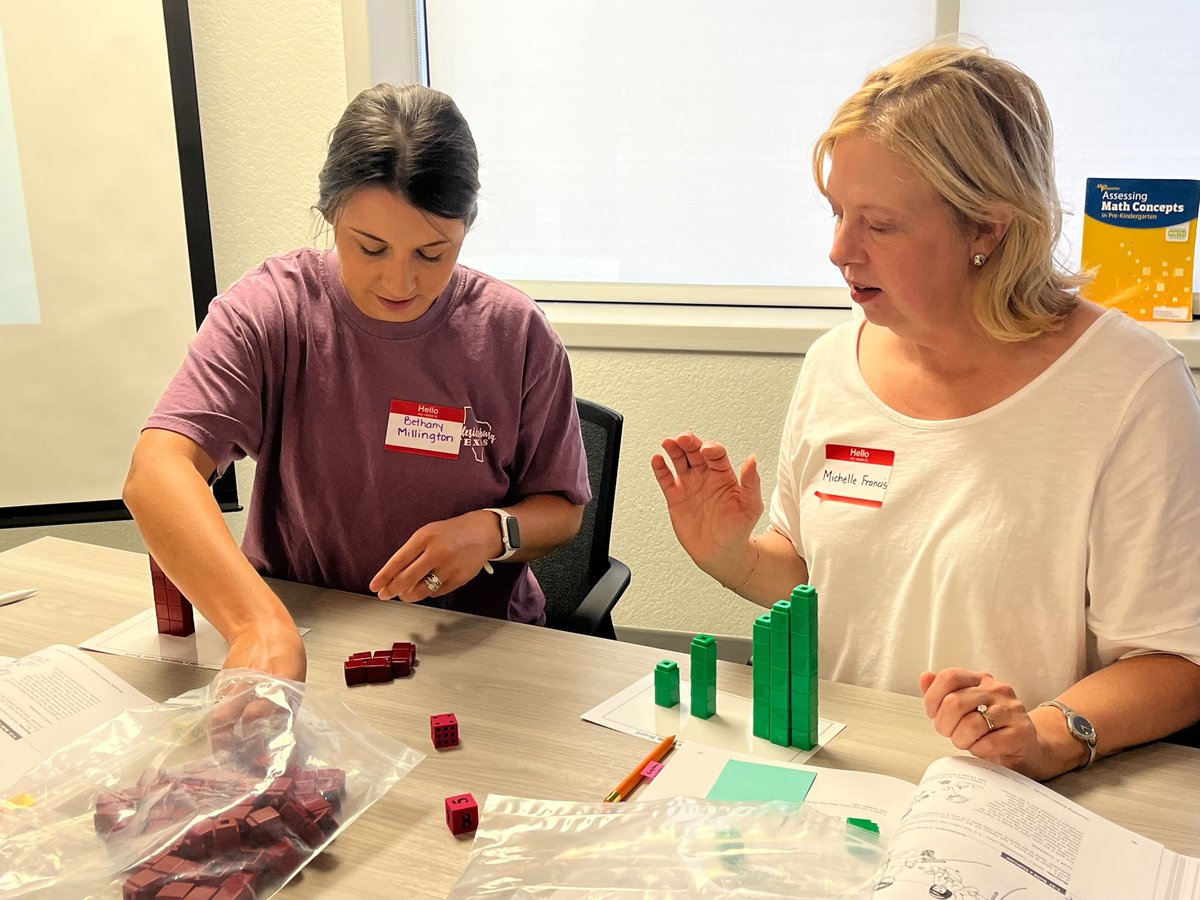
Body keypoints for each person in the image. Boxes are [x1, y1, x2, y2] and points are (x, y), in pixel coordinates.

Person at [653, 45, 1200, 780]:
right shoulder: (831, 364)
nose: (839, 250)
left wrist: (1044, 737)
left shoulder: (1129, 387)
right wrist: (734, 555)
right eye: (837, 212)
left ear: (988, 227)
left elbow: (1176, 661)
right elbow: (823, 582)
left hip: (1022, 797)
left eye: (878, 225)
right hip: (841, 773)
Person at [124, 84, 591, 682]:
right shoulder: (274, 310)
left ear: (467, 227)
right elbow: (156, 470)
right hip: (307, 626)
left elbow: (563, 511)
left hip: (472, 645)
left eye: (432, 254)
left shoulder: (512, 331)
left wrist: (491, 532)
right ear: (330, 215)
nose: (399, 282)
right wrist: (255, 625)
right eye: (370, 248)